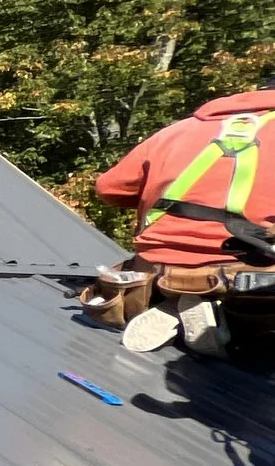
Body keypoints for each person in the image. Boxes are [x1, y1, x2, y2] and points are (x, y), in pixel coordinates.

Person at [88, 76, 275, 357]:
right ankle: (214, 311)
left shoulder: (180, 130)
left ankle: (174, 303)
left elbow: (108, 189)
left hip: (153, 271)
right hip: (244, 283)